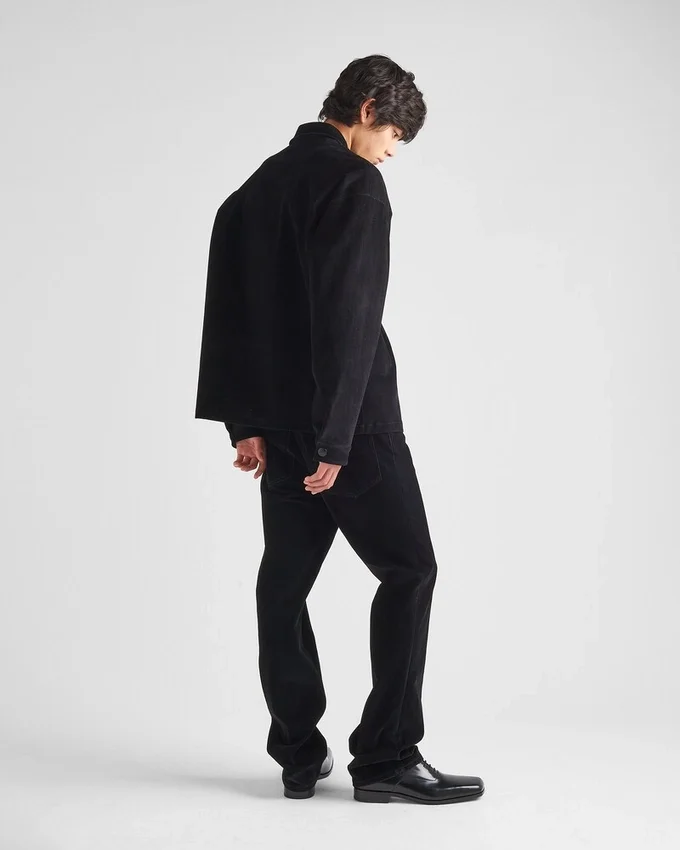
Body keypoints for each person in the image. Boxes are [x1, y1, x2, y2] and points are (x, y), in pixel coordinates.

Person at [195, 53, 485, 805]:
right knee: (410, 571)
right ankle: (386, 757)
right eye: (393, 136)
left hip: (277, 427)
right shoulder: (353, 183)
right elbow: (350, 317)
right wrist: (336, 439)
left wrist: (245, 422)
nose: (391, 153)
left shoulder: (254, 190)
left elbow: (230, 310)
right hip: (349, 428)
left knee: (284, 583)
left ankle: (298, 753)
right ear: (366, 111)